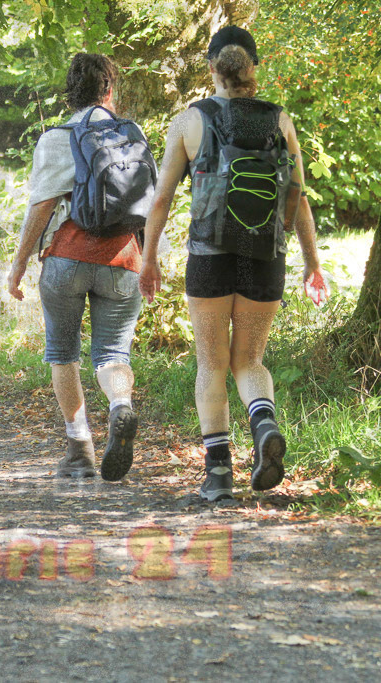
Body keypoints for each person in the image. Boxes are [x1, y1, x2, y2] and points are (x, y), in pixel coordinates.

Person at [138, 26, 329, 501]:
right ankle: (263, 426)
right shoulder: (280, 121)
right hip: (265, 258)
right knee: (249, 360)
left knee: (211, 361)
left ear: (212, 69)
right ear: (254, 69)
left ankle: (218, 474)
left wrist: (148, 260)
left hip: (209, 258)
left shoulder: (189, 121)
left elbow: (161, 199)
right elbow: (298, 199)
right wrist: (312, 263)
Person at [7, 53, 145, 482]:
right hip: (124, 260)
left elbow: (42, 209)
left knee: (62, 353)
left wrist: (16, 268)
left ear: (70, 92)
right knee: (111, 354)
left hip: (66, 258)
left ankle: (79, 449)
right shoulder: (132, 134)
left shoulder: (57, 138)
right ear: (110, 90)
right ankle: (121, 408)